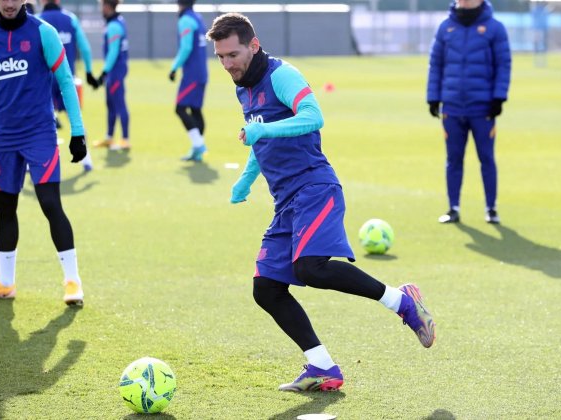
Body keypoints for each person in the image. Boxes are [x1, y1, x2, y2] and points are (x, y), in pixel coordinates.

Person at [206, 13, 436, 392]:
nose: (227, 64)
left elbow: (314, 117)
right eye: (220, 57)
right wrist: (246, 180)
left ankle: (403, 301)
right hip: (285, 201)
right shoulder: (242, 86)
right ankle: (321, 366)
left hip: (315, 188)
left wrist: (261, 129)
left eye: (233, 54)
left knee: (311, 268)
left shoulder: (281, 75)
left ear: (254, 45)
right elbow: (260, 138)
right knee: (266, 288)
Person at [0, 0, 87, 306]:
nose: (10, 3)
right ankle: (5, 282)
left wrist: (77, 132)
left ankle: (72, 282)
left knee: (50, 204)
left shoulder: (44, 32)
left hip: (40, 134)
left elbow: (65, 80)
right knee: (4, 208)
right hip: (4, 138)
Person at [426, 0, 511, 224]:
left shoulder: (495, 28)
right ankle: (453, 207)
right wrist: (433, 97)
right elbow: (436, 64)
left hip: (482, 107)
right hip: (452, 107)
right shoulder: (446, 27)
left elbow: (504, 64)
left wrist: (499, 96)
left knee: (486, 158)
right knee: (453, 159)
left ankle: (491, 208)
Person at [39, 0, 98, 171]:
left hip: (45, 82)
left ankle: (34, 163)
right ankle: (87, 159)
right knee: (75, 118)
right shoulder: (70, 19)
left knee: (40, 121)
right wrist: (88, 72)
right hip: (67, 79)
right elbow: (85, 48)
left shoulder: (37, 20)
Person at [169, 0, 209, 162]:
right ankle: (196, 151)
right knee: (195, 110)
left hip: (192, 74)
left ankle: (199, 144)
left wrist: (174, 68)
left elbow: (186, 48)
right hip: (202, 72)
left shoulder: (185, 20)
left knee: (179, 108)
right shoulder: (197, 18)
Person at [92, 0, 130, 150]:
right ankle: (109, 137)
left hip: (116, 71)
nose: (101, 9)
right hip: (116, 70)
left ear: (107, 7)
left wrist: (103, 74)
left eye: (102, 5)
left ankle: (125, 139)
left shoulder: (113, 26)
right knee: (111, 104)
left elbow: (113, 52)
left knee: (119, 104)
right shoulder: (118, 21)